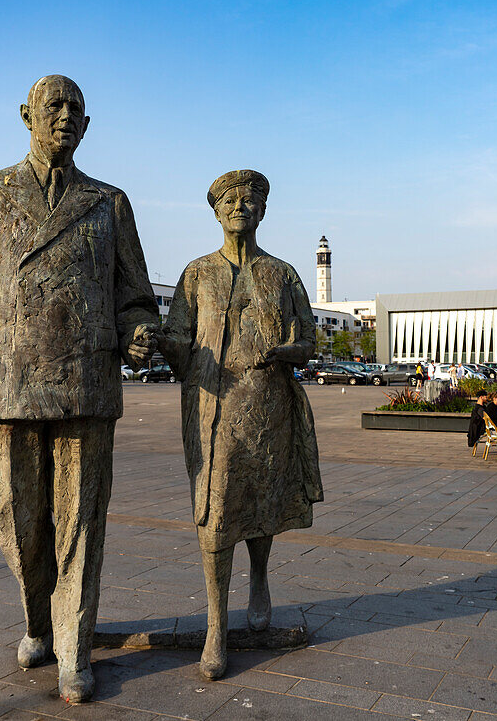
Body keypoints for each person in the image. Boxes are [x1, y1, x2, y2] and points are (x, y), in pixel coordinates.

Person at [0, 76, 159, 703]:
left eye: (76, 110)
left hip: (84, 380)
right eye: (54, 106)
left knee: (81, 522)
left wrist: (138, 330)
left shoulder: (109, 203)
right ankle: (38, 619)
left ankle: (73, 649)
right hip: (5, 381)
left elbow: (134, 294)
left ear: (87, 126)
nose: (65, 117)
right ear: (26, 114)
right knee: (17, 517)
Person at [159, 170, 323, 681]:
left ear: (264, 210)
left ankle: (259, 580)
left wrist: (288, 350)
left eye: (251, 200)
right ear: (215, 210)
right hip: (212, 408)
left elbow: (311, 341)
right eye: (230, 200)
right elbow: (178, 343)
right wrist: (158, 342)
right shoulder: (196, 274)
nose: (241, 207)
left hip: (268, 405)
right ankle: (215, 624)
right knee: (216, 507)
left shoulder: (283, 274)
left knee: (262, 498)